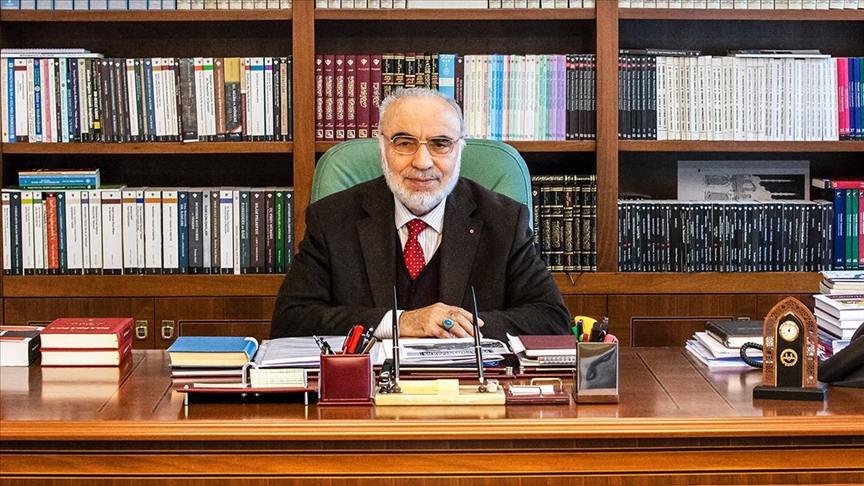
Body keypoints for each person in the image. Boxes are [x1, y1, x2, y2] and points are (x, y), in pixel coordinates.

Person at [270, 87, 571, 342]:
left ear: (459, 150)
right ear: (382, 147)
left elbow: (551, 320)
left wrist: (454, 327)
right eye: (404, 143)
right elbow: (290, 320)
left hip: (467, 387)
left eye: (441, 144)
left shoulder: (504, 221)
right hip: (371, 387)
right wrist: (399, 322)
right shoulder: (332, 219)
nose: (423, 162)